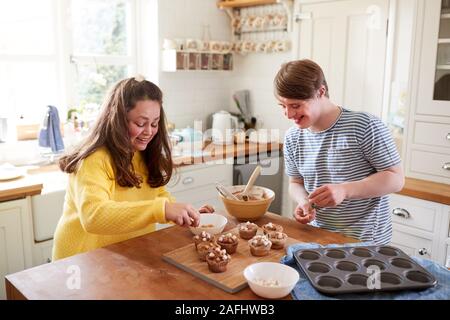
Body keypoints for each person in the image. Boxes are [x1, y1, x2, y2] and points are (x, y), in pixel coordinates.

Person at [52, 76, 213, 260]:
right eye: (140, 123)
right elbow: (93, 216)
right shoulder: (94, 159)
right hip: (80, 261)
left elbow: (157, 195)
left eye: (154, 123)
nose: (149, 131)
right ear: (118, 119)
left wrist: (183, 213)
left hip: (120, 255)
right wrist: (162, 210)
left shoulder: (141, 152)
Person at [274, 59, 404, 244]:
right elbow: (295, 182)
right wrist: (304, 201)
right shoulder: (293, 137)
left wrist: (345, 190)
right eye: (282, 106)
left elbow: (396, 179)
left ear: (320, 92)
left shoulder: (365, 126)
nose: (288, 114)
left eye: (296, 105)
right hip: (318, 237)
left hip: (366, 242)